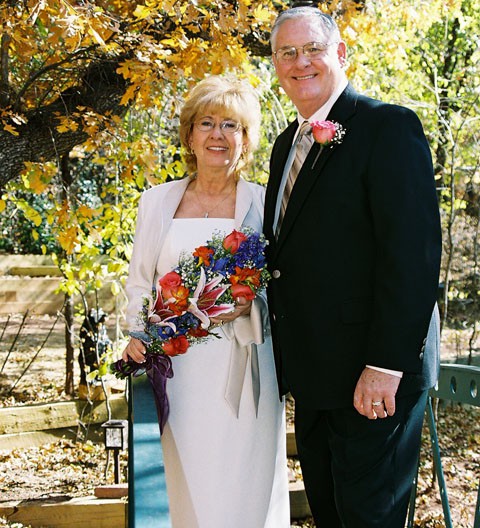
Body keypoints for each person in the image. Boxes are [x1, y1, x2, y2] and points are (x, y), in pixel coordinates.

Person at [263, 7, 442, 528]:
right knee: (334, 517)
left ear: (341, 54)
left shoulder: (387, 127)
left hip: (373, 376)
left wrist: (386, 366)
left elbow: (412, 255)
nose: (300, 63)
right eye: (286, 53)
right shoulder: (284, 146)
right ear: (275, 65)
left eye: (312, 49)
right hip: (315, 376)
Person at [122, 75, 290, 528]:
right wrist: (140, 336)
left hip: (246, 363)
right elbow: (139, 283)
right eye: (207, 123)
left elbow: (285, 281)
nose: (218, 135)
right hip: (177, 367)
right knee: (183, 482)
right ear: (189, 136)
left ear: (247, 140)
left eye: (231, 125)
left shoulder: (265, 203)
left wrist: (249, 302)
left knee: (244, 483)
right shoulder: (156, 202)